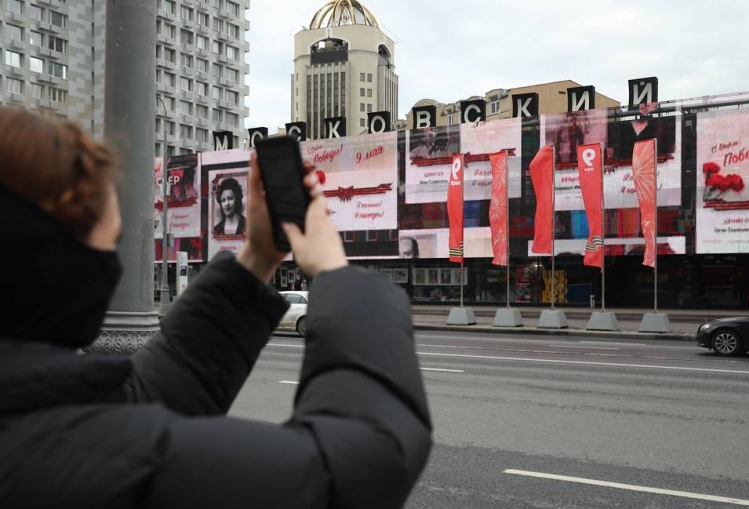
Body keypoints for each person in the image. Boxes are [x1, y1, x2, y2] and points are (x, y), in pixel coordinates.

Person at [0, 107, 432, 509]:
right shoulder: (80, 458)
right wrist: (335, 272)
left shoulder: (31, 413)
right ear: (47, 256)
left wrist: (257, 258)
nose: (113, 263)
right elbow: (361, 464)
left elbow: (142, 401)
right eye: (109, 243)